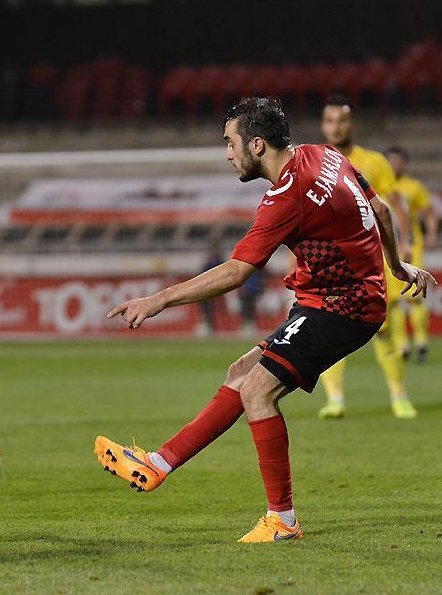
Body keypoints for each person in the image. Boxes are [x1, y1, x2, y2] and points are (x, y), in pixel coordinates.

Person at [94, 97, 434, 543]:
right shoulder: (324, 155)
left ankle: (282, 521)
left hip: (342, 306)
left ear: (256, 144)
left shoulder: (286, 197)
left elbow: (236, 272)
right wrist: (397, 265)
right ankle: (158, 464)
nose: (227, 153)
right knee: (241, 373)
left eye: (229, 142)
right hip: (334, 300)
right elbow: (383, 210)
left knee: (257, 391)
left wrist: (159, 300)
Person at [317, 95, 418, 419]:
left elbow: (395, 205)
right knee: (328, 329)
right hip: (330, 262)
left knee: (384, 329)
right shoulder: (314, 161)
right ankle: (335, 400)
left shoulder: (374, 161)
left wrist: (403, 246)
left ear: (352, 124)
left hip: (371, 258)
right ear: (323, 125)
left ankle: (399, 396)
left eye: (342, 120)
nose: (336, 127)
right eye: (330, 121)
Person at [386, 146, 439, 363]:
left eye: (398, 161)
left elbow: (429, 213)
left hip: (412, 247)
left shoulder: (414, 187)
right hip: (389, 249)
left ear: (405, 164)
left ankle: (421, 341)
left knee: (416, 296)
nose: (394, 165)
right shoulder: (381, 186)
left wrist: (432, 234)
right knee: (394, 300)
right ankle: (402, 344)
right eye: (391, 161)